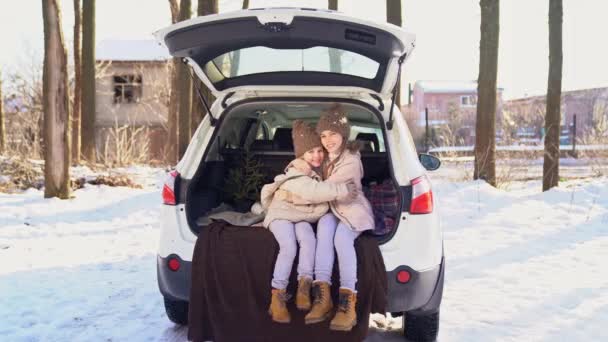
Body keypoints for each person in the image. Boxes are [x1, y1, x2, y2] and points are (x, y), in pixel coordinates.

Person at [260, 120, 357, 324]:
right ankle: (277, 297)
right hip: (281, 216)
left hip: (301, 216)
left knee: (309, 240)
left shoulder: (320, 171)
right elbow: (314, 192)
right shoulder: (296, 170)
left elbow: (317, 200)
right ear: (300, 154)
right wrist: (343, 190)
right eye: (310, 152)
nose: (316, 156)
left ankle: (304, 287)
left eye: (319, 151)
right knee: (288, 247)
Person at [303, 104, 375, 331]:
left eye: (333, 134)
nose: (328, 140)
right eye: (323, 135)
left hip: (352, 208)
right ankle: (322, 297)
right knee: (324, 229)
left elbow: (326, 188)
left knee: (341, 240)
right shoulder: (322, 156)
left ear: (343, 134)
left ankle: (347, 302)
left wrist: (310, 188)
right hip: (331, 209)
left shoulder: (351, 158)